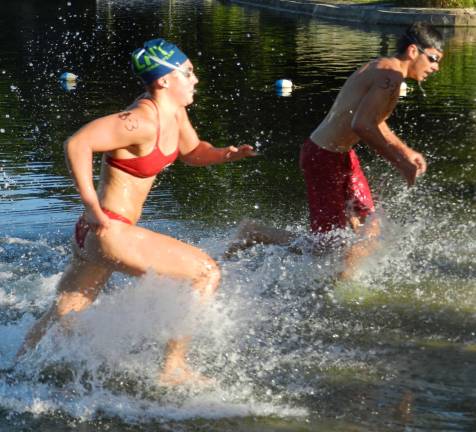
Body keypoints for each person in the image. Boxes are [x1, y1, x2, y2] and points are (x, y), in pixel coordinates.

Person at [17, 38, 255, 385]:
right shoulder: (139, 121)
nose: (195, 79)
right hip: (109, 229)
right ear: (164, 80)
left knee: (65, 312)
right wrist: (91, 205)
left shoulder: (175, 112)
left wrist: (224, 155)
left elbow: (192, 151)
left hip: (95, 235)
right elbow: (77, 143)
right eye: (187, 73)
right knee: (206, 272)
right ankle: (173, 368)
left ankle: (17, 370)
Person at [226, 22, 443, 280]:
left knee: (368, 222)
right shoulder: (389, 76)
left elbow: (373, 119)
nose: (435, 67)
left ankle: (347, 278)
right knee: (325, 247)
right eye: (433, 58)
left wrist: (405, 151)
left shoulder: (388, 71)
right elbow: (361, 125)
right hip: (322, 158)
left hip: (342, 156)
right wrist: (399, 162)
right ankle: (255, 233)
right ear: (412, 51)